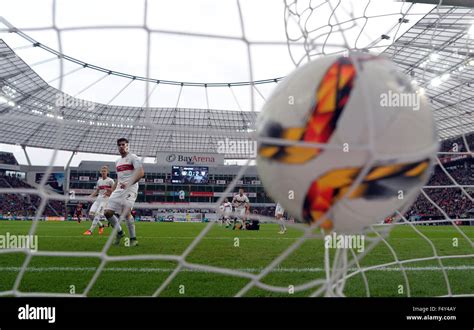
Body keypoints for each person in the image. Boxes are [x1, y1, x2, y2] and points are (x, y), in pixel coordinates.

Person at [103, 138, 144, 246]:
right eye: (119, 145)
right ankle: (120, 233)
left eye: (123, 144)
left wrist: (129, 183)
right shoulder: (117, 161)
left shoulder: (133, 158)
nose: (121, 146)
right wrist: (112, 190)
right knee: (107, 212)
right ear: (117, 147)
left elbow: (141, 173)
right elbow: (119, 178)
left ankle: (133, 239)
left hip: (131, 188)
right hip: (119, 189)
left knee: (126, 212)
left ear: (127, 146)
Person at [83, 166, 114, 236]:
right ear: (100, 172)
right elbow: (97, 191)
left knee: (97, 214)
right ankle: (101, 225)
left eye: (104, 171)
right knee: (90, 215)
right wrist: (90, 196)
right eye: (102, 171)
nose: (103, 172)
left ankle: (90, 231)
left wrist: (109, 194)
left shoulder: (110, 181)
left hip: (105, 199)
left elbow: (114, 190)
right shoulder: (99, 181)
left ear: (107, 172)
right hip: (98, 199)